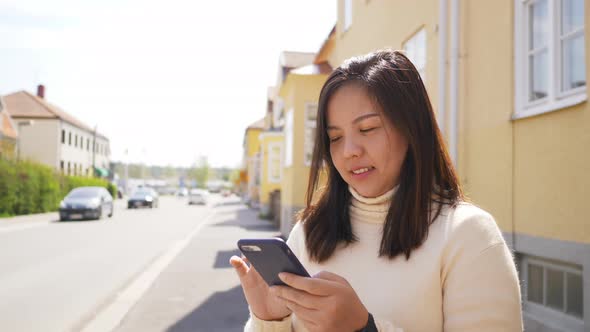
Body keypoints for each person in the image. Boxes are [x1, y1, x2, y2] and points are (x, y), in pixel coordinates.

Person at [230, 49, 523, 332]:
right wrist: (268, 321)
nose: (349, 151)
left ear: (412, 129)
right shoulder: (309, 233)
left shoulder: (468, 235)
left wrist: (363, 328)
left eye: (368, 129)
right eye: (335, 137)